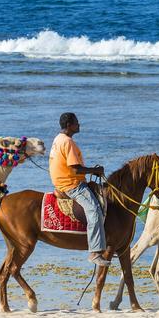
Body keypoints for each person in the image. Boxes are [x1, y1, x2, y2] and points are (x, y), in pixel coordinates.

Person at [49, 112, 110, 267]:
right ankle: (95, 252)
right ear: (69, 125)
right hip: (72, 185)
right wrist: (95, 171)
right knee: (94, 210)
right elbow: (76, 169)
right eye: (76, 122)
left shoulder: (58, 139)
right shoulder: (68, 142)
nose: (79, 124)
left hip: (62, 181)